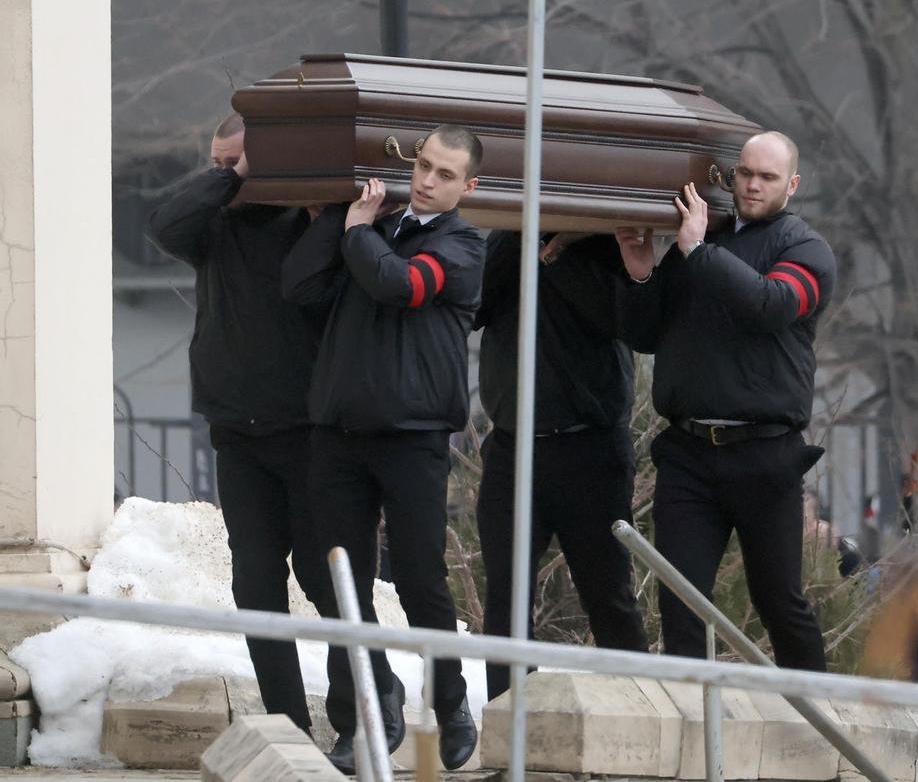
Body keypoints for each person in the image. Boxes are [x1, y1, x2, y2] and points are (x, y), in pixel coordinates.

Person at [281, 125, 485, 774]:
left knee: (423, 579)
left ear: (467, 186)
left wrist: (357, 233)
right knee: (346, 583)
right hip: (339, 433)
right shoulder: (371, 229)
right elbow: (299, 286)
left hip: (413, 436)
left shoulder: (460, 244)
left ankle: (450, 699)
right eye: (422, 165)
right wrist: (342, 217)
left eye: (444, 173)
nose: (426, 179)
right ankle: (371, 707)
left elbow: (400, 285)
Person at [614, 130, 835, 670]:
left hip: (765, 455)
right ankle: (692, 723)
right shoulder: (704, 239)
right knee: (681, 597)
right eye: (745, 173)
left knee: (778, 601)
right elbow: (646, 334)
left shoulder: (804, 248)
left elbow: (771, 304)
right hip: (689, 453)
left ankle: (823, 722)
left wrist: (693, 250)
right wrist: (642, 271)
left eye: (768, 177)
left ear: (793, 184)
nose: (753, 185)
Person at [146, 112, 334, 733]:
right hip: (236, 425)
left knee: (325, 577)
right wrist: (233, 177)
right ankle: (286, 721)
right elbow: (165, 225)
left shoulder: (306, 218)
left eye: (237, 162)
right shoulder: (214, 220)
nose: (223, 175)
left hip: (306, 427)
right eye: (216, 163)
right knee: (255, 583)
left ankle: (362, 705)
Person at [473, 230, 648, 700]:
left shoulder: (605, 243)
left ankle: (640, 716)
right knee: (506, 602)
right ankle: (509, 732)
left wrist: (558, 255)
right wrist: (524, 235)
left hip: (590, 450)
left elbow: (622, 319)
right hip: (512, 447)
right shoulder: (508, 240)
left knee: (608, 595)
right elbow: (473, 305)